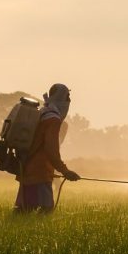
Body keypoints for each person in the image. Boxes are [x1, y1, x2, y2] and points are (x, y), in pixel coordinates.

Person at [14, 83, 80, 213]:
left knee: (23, 212)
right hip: (40, 173)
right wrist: (65, 171)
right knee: (44, 211)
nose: (69, 100)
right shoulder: (52, 119)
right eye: (67, 97)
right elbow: (51, 150)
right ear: (61, 98)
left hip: (27, 169)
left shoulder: (43, 113)